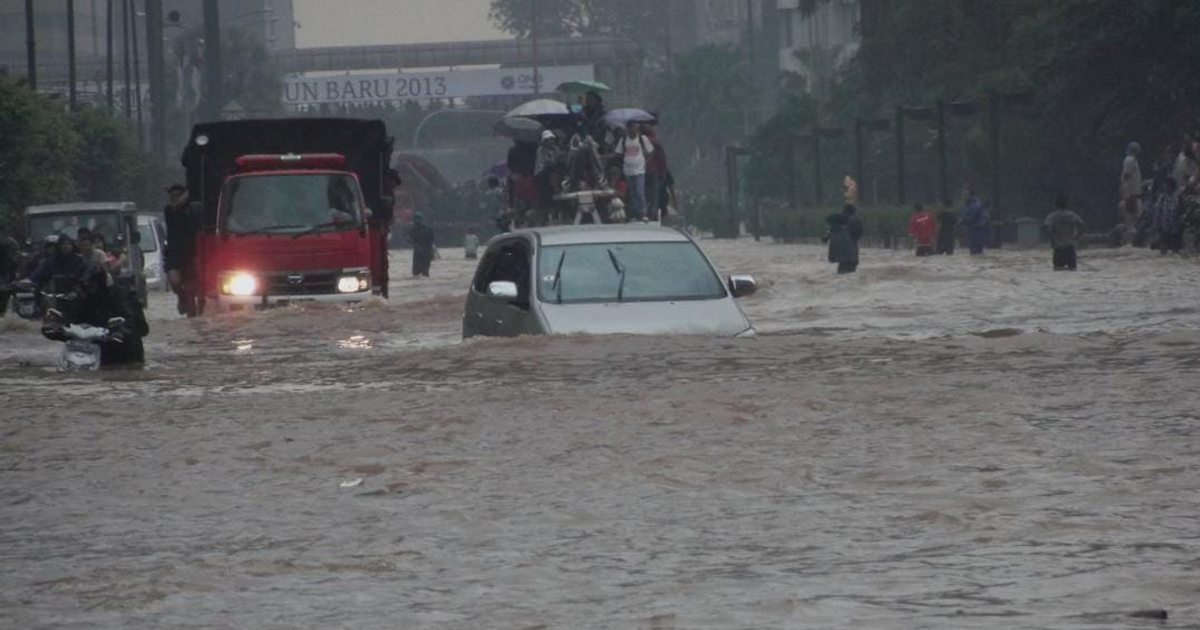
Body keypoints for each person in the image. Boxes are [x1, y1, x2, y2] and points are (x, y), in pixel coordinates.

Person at [163, 184, 201, 316]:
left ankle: (192, 313)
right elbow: (176, 206)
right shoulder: (169, 210)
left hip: (190, 252)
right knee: (175, 281)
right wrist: (187, 192)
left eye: (176, 195)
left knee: (191, 288)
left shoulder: (192, 209)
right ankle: (181, 297)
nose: (173, 198)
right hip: (173, 252)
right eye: (171, 196)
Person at [614, 121, 654, 222]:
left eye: (636, 127)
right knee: (632, 193)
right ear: (628, 128)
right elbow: (618, 153)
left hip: (639, 170)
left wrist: (646, 161)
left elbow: (651, 152)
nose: (635, 129)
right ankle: (634, 214)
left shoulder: (642, 139)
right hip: (628, 171)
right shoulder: (624, 139)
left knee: (640, 192)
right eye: (632, 127)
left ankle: (643, 213)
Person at [1045, 196, 1084, 271]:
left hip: (1059, 248)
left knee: (1058, 270)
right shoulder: (1072, 215)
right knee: (1073, 271)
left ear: (1056, 205)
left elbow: (1047, 228)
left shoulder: (1052, 216)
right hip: (1070, 247)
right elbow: (1082, 225)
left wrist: (1052, 240)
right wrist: (1077, 237)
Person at [825, 204, 863, 274]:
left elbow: (828, 219)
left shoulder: (836, 221)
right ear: (853, 211)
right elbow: (859, 233)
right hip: (851, 252)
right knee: (850, 270)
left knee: (842, 270)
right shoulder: (854, 220)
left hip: (841, 253)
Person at [643, 125, 668, 221]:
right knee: (654, 195)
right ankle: (653, 214)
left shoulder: (641, 141)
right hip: (654, 171)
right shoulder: (657, 142)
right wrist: (663, 174)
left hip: (641, 171)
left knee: (644, 193)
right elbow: (662, 160)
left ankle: (644, 213)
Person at [1120, 142, 1143, 230]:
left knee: (1135, 212)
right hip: (1131, 191)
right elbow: (1126, 176)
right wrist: (1125, 190)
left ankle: (1132, 230)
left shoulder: (1133, 159)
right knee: (1131, 212)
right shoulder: (1130, 159)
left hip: (1133, 191)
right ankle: (1130, 231)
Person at [960, 186, 989, 255]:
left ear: (971, 195)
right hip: (973, 229)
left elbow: (972, 218)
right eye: (964, 195)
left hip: (976, 229)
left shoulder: (975, 205)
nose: (964, 197)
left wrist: (963, 219)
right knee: (975, 250)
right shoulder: (969, 204)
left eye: (966, 195)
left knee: (975, 250)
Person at [408, 213, 435, 277]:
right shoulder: (428, 228)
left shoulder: (414, 229)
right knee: (423, 272)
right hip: (424, 252)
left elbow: (409, 240)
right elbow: (432, 239)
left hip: (421, 252)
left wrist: (415, 244)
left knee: (418, 273)